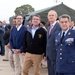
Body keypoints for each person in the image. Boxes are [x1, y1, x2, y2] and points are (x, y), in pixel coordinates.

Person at [45, 10, 61, 75]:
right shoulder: (49, 28)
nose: (51, 17)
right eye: (49, 15)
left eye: (52, 15)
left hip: (56, 54)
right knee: (50, 72)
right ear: (48, 17)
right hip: (49, 55)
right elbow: (48, 41)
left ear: (56, 17)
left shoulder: (59, 26)